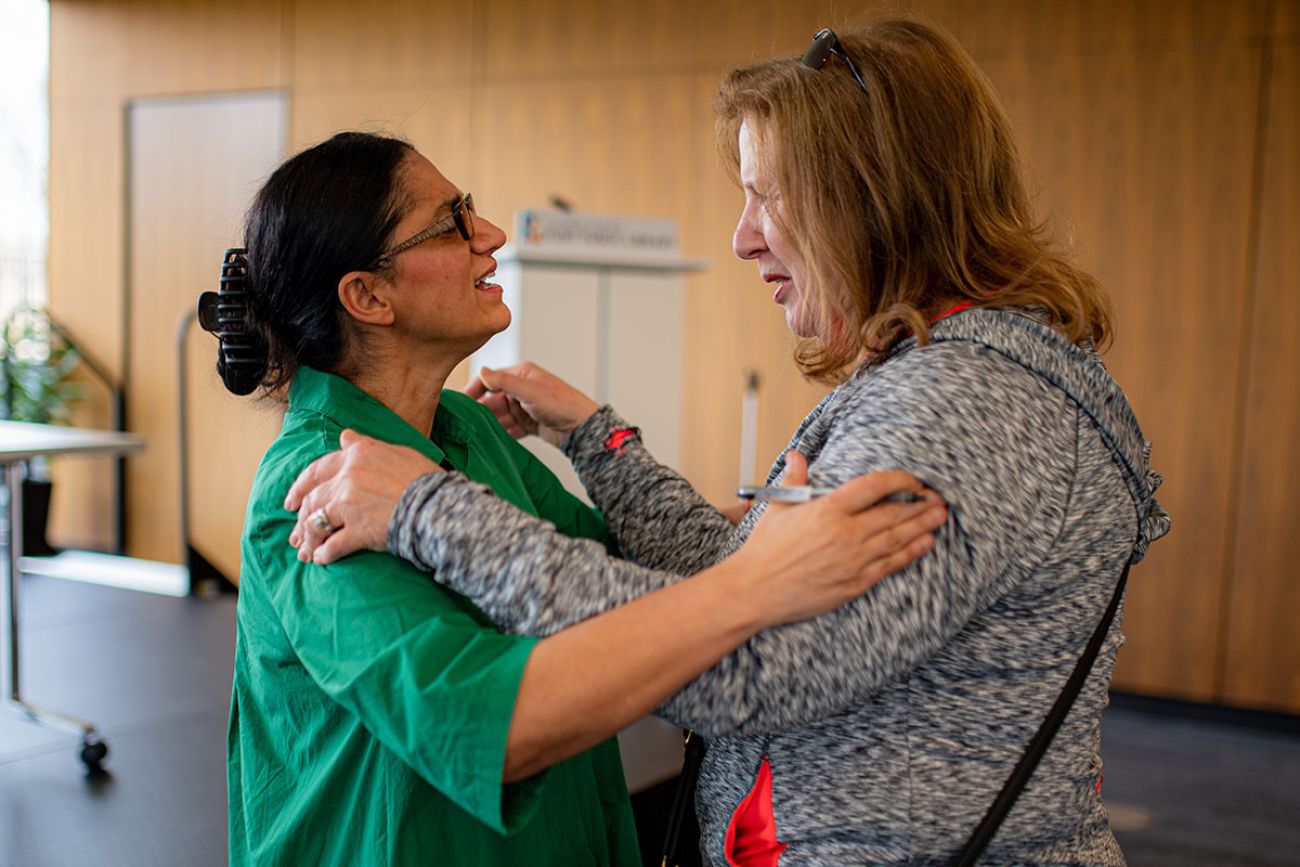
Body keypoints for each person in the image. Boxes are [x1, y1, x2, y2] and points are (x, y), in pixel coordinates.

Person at [285, 17, 1172, 867]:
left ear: (867, 200)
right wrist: (597, 437)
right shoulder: (941, 380)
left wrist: (427, 510)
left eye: (766, 197)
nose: (743, 238)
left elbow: (744, 660)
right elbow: (734, 581)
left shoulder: (957, 408)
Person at [209, 130, 946, 866]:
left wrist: (796, 524)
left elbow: (614, 568)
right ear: (367, 295)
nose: (490, 236)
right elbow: (487, 724)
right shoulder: (312, 487)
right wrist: (762, 579)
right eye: (451, 224)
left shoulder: (465, 426)